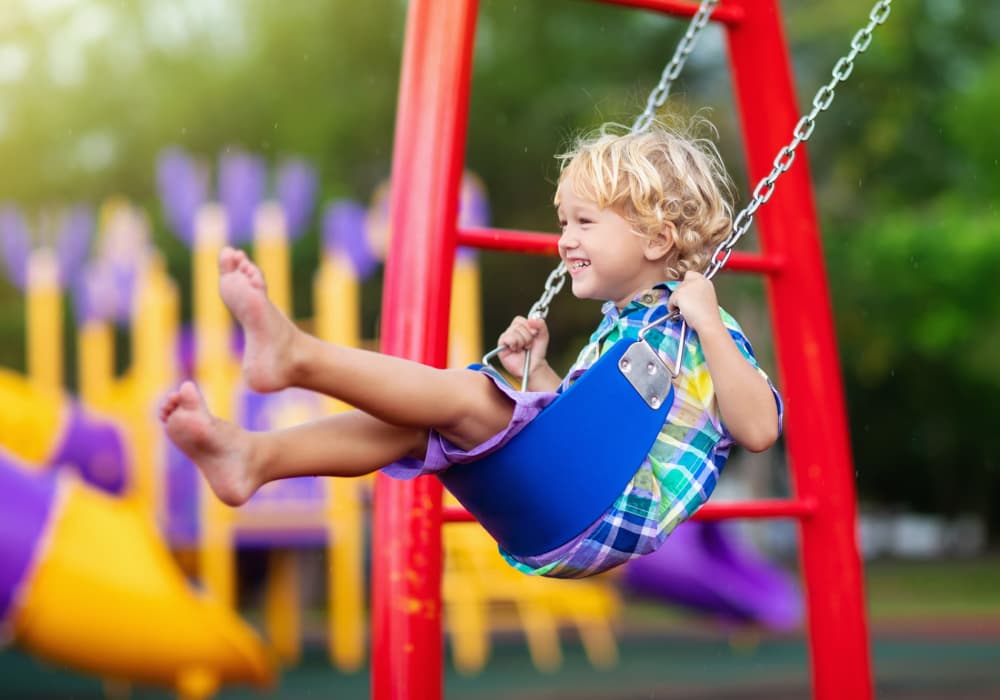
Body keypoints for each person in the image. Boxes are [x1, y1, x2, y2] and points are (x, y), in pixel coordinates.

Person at [160, 121, 782, 579]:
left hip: (602, 510)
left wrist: (710, 325)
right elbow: (588, 434)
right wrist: (537, 372)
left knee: (468, 395)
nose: (564, 240)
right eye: (563, 222)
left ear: (657, 240)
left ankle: (297, 356)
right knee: (416, 427)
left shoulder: (698, 329)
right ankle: (255, 458)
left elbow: (758, 429)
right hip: (563, 506)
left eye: (584, 223)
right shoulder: (621, 329)